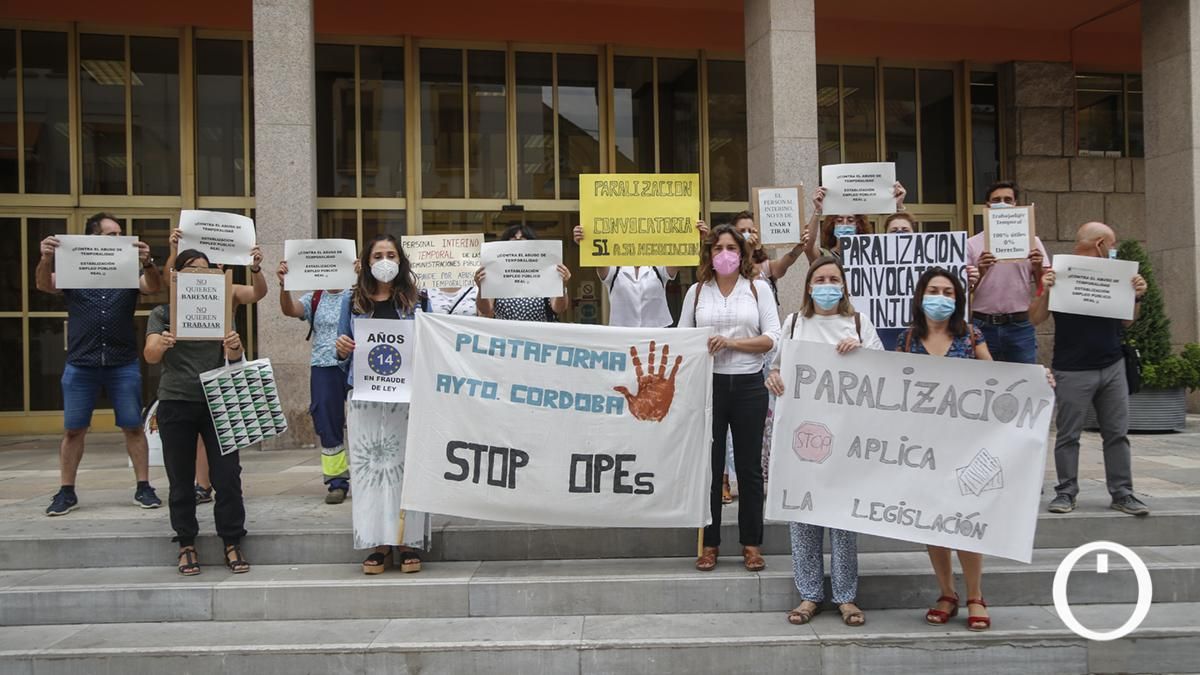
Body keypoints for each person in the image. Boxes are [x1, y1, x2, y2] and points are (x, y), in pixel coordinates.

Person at [767, 255, 882, 628]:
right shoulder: (794, 323)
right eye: (821, 278)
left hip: (847, 435)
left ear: (844, 285)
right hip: (803, 435)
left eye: (834, 278)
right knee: (803, 517)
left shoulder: (859, 323)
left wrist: (860, 354)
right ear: (809, 285)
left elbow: (883, 373)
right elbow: (777, 368)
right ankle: (810, 594)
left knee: (843, 519)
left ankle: (847, 597)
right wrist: (774, 379)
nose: (828, 284)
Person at [35, 212, 164, 515]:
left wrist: (147, 262)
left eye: (120, 234)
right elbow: (45, 285)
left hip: (122, 361)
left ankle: (143, 487)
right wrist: (46, 258)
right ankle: (67, 491)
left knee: (133, 426)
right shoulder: (73, 269)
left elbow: (153, 286)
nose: (118, 239)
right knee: (74, 430)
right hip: (81, 362)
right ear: (92, 238)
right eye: (111, 235)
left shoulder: (127, 271)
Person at [895, 267, 994, 631]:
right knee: (933, 522)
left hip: (964, 445)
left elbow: (997, 380)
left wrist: (1036, 380)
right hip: (923, 449)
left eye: (948, 292)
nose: (941, 297)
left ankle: (975, 595)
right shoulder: (906, 341)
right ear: (920, 297)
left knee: (965, 521)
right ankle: (946, 592)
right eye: (934, 290)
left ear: (958, 300)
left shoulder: (971, 335)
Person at [679, 224, 780, 573]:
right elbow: (682, 340)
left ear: (742, 253)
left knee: (750, 469)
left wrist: (733, 343)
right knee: (710, 467)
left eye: (731, 248)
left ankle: (751, 543)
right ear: (709, 253)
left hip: (750, 384)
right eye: (718, 248)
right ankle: (710, 543)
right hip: (709, 388)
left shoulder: (757, 288)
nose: (725, 254)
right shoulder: (695, 292)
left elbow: (773, 338)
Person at [1031, 221, 1150, 517]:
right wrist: (1044, 291)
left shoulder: (1118, 274)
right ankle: (1066, 492)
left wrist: (1136, 295)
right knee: (1069, 434)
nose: (1114, 249)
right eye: (1111, 243)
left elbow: (1127, 321)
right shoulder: (1061, 273)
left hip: (1112, 365)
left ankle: (1123, 493)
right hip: (1072, 369)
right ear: (1099, 244)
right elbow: (1034, 318)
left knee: (1117, 433)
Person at [144, 249, 249, 576]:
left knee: (228, 476)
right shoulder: (162, 313)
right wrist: (162, 343)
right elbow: (149, 355)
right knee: (180, 478)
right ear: (176, 275)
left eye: (205, 269)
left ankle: (232, 539)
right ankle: (186, 542)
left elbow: (236, 355)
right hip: (177, 400)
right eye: (191, 268)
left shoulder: (220, 309)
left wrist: (235, 346)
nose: (199, 274)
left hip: (217, 399)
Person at [335, 234, 432, 575]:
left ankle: (407, 541)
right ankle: (378, 543)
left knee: (405, 469)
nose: (385, 259)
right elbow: (339, 348)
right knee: (371, 471)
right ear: (367, 260)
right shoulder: (353, 301)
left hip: (407, 398)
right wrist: (343, 348)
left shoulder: (417, 300)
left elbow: (432, 345)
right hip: (365, 397)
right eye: (378, 254)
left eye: (391, 253)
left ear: (401, 260)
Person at [167, 228, 267, 502]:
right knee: (200, 436)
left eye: (207, 265)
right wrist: (174, 249)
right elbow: (170, 278)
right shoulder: (180, 287)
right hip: (190, 374)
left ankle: (221, 483)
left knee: (224, 435)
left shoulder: (229, 288)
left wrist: (256, 268)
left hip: (223, 365)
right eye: (193, 266)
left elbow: (258, 293)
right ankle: (202, 485)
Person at [277, 262, 351, 504]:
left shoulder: (357, 294)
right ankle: (336, 482)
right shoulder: (315, 297)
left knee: (365, 420)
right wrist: (284, 286)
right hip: (324, 367)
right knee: (327, 423)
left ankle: (370, 475)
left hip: (355, 365)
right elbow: (291, 309)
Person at [966, 181, 1050, 364]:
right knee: (984, 382)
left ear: (1015, 205)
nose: (1002, 203)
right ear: (987, 206)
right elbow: (964, 291)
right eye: (996, 200)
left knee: (1025, 382)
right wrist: (980, 271)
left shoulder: (1032, 241)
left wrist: (1037, 266)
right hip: (983, 325)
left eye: (1007, 199)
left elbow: (1045, 286)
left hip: (1019, 324)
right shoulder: (971, 244)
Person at [570, 223, 696, 328]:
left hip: (656, 337)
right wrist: (585, 242)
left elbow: (681, 258)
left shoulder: (657, 268)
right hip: (624, 338)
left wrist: (695, 237)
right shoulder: (615, 270)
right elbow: (597, 259)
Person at [475, 224, 571, 321]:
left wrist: (562, 286)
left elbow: (559, 309)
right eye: (513, 239)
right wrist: (481, 288)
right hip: (505, 335)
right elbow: (485, 310)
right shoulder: (495, 272)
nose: (517, 239)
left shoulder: (547, 270)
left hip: (538, 335)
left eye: (522, 238)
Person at [804, 182, 906, 263]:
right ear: (832, 225)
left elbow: (899, 247)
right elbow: (808, 247)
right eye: (839, 220)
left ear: (858, 225)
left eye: (850, 220)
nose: (845, 224)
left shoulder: (871, 256)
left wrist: (899, 207)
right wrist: (818, 210)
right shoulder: (825, 256)